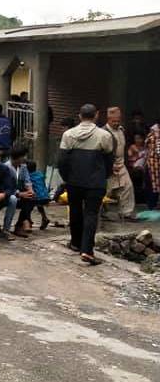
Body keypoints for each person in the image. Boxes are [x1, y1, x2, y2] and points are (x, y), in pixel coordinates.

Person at [58, 104, 114, 264]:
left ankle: (75, 243)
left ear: (79, 116)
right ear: (96, 115)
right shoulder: (104, 135)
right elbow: (109, 161)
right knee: (91, 214)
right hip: (95, 182)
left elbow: (62, 161)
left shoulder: (68, 134)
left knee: (75, 211)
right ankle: (87, 250)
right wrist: (104, 176)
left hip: (74, 181)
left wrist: (67, 178)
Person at [104, 107, 137, 220]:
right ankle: (102, 212)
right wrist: (109, 165)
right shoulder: (103, 132)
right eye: (114, 121)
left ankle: (126, 212)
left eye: (118, 121)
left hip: (121, 164)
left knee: (128, 187)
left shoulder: (121, 130)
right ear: (108, 119)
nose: (116, 123)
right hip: (108, 166)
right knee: (106, 190)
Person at [6, 145, 35, 236]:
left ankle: (19, 224)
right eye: (23, 156)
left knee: (31, 198)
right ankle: (25, 221)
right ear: (18, 157)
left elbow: (27, 180)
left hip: (20, 194)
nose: (25, 158)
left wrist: (30, 190)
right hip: (8, 195)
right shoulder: (6, 167)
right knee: (18, 199)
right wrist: (19, 194)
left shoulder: (23, 167)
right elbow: (5, 187)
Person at [27, 160, 53, 229]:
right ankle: (44, 218)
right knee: (39, 204)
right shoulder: (40, 174)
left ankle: (28, 221)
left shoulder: (29, 176)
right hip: (46, 197)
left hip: (37, 198)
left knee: (28, 204)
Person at [127, 133, 147, 202]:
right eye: (136, 139)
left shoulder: (145, 147)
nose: (138, 140)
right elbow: (129, 158)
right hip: (134, 167)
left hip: (144, 166)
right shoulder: (132, 147)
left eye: (139, 138)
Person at [146, 123, 160, 210]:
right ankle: (152, 206)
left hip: (153, 163)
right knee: (153, 185)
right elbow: (158, 151)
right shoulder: (154, 134)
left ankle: (153, 205)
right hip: (154, 164)